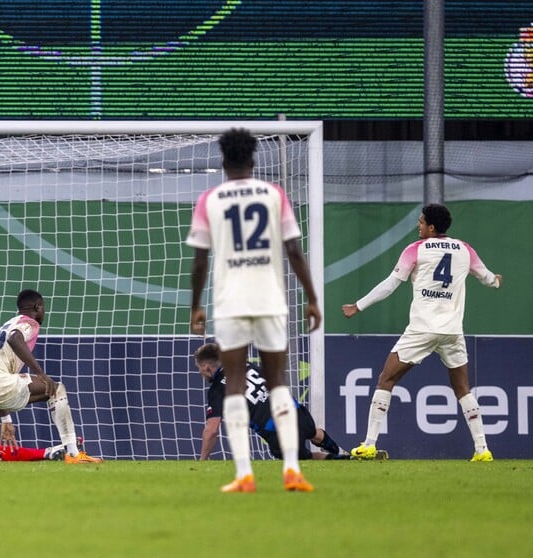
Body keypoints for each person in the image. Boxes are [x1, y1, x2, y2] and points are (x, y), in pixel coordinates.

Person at [187, 127, 321, 493]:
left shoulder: (210, 199)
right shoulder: (274, 194)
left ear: (223, 159)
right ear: (253, 159)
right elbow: (294, 251)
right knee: (278, 384)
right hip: (270, 301)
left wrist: (196, 304)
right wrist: (311, 297)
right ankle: (293, 469)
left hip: (231, 303)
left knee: (233, 385)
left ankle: (244, 474)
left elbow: (200, 260)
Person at [341, 203, 502, 461]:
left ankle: (369, 444)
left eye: (421, 221)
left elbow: (390, 285)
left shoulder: (416, 249)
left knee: (386, 380)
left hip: (422, 329)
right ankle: (482, 450)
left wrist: (358, 306)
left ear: (432, 227)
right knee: (463, 388)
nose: (418, 225)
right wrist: (495, 281)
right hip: (452, 331)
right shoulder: (465, 249)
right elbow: (486, 277)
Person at [0, 288, 103, 464]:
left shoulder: (8, 324)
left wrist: (6, 419)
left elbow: (1, 377)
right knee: (55, 389)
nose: (43, 312)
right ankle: (74, 455)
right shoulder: (29, 323)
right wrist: (41, 374)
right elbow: (15, 339)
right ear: (38, 306)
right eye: (43, 308)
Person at [193, 343, 355, 462]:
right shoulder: (246, 365)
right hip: (295, 410)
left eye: (199, 368)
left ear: (206, 367)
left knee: (304, 459)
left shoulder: (217, 390)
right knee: (313, 432)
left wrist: (202, 460)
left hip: (278, 432)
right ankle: (342, 452)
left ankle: (342, 460)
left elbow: (212, 430)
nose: (199, 372)